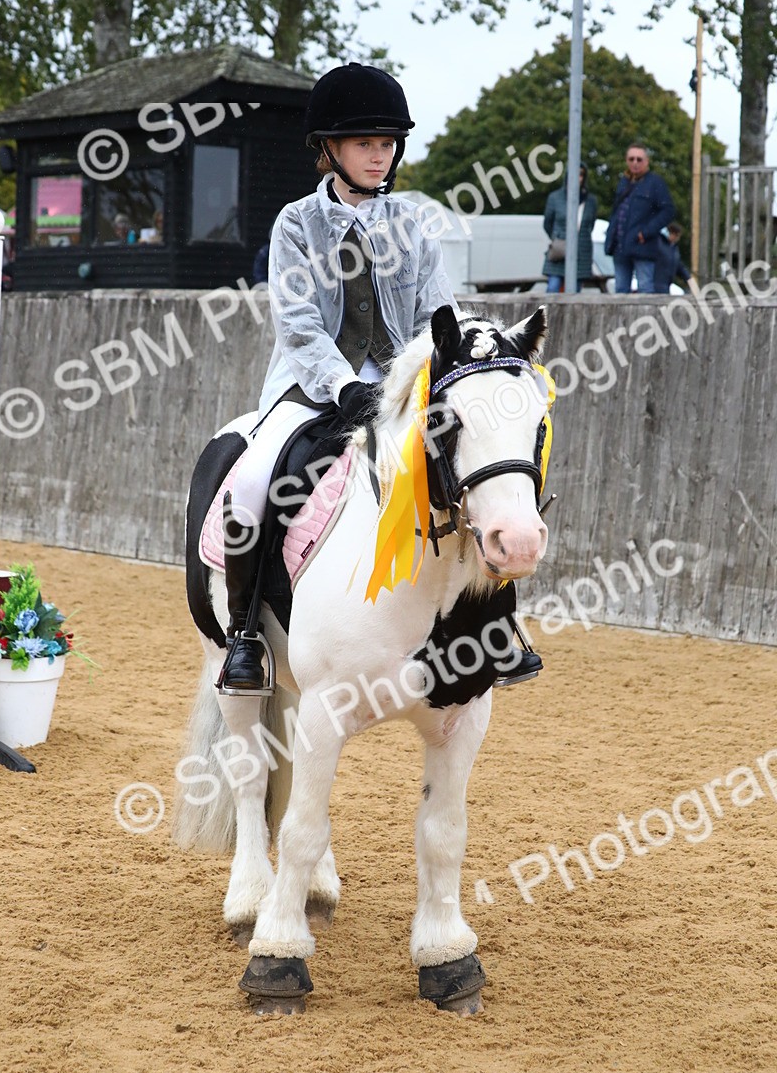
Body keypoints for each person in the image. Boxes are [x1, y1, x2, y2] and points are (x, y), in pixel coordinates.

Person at [220, 61, 541, 692]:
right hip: (313, 385)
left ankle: (494, 621)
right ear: (330, 149)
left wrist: (436, 369)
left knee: (475, 470)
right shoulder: (296, 224)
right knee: (255, 481)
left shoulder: (412, 225)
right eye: (366, 143)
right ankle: (244, 636)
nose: (379, 154)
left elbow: (434, 316)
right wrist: (343, 384)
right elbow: (298, 323)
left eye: (388, 143)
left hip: (401, 388)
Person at [604, 144, 675, 293]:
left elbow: (668, 211)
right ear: (626, 161)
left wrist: (646, 232)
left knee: (645, 289)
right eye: (631, 159)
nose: (635, 163)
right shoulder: (624, 182)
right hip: (620, 246)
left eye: (639, 159)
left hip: (642, 246)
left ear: (646, 161)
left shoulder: (655, 183)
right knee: (621, 290)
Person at [541, 163, 598, 292]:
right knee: (553, 287)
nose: (578, 178)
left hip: (581, 252)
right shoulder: (555, 197)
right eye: (575, 173)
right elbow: (547, 223)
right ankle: (548, 312)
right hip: (560, 251)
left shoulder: (590, 201)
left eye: (581, 174)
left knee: (574, 292)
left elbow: (590, 225)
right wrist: (557, 238)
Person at [653, 222, 692, 294]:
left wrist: (689, 279)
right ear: (672, 234)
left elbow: (679, 266)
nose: (678, 239)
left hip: (666, 284)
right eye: (677, 236)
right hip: (657, 283)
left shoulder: (673, 248)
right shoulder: (659, 244)